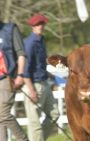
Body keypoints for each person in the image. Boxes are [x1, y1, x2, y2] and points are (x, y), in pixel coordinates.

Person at [22, 13, 59, 141]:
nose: (40, 26)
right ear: (32, 26)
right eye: (37, 24)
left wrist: (52, 77)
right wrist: (31, 89)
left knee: (55, 115)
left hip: (44, 83)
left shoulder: (41, 41)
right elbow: (25, 70)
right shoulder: (30, 43)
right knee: (35, 124)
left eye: (42, 24)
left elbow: (40, 64)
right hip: (33, 85)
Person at [0, 20, 28, 141]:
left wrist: (20, 75)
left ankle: (23, 139)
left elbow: (21, 54)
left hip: (7, 78)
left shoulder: (10, 29)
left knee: (4, 114)